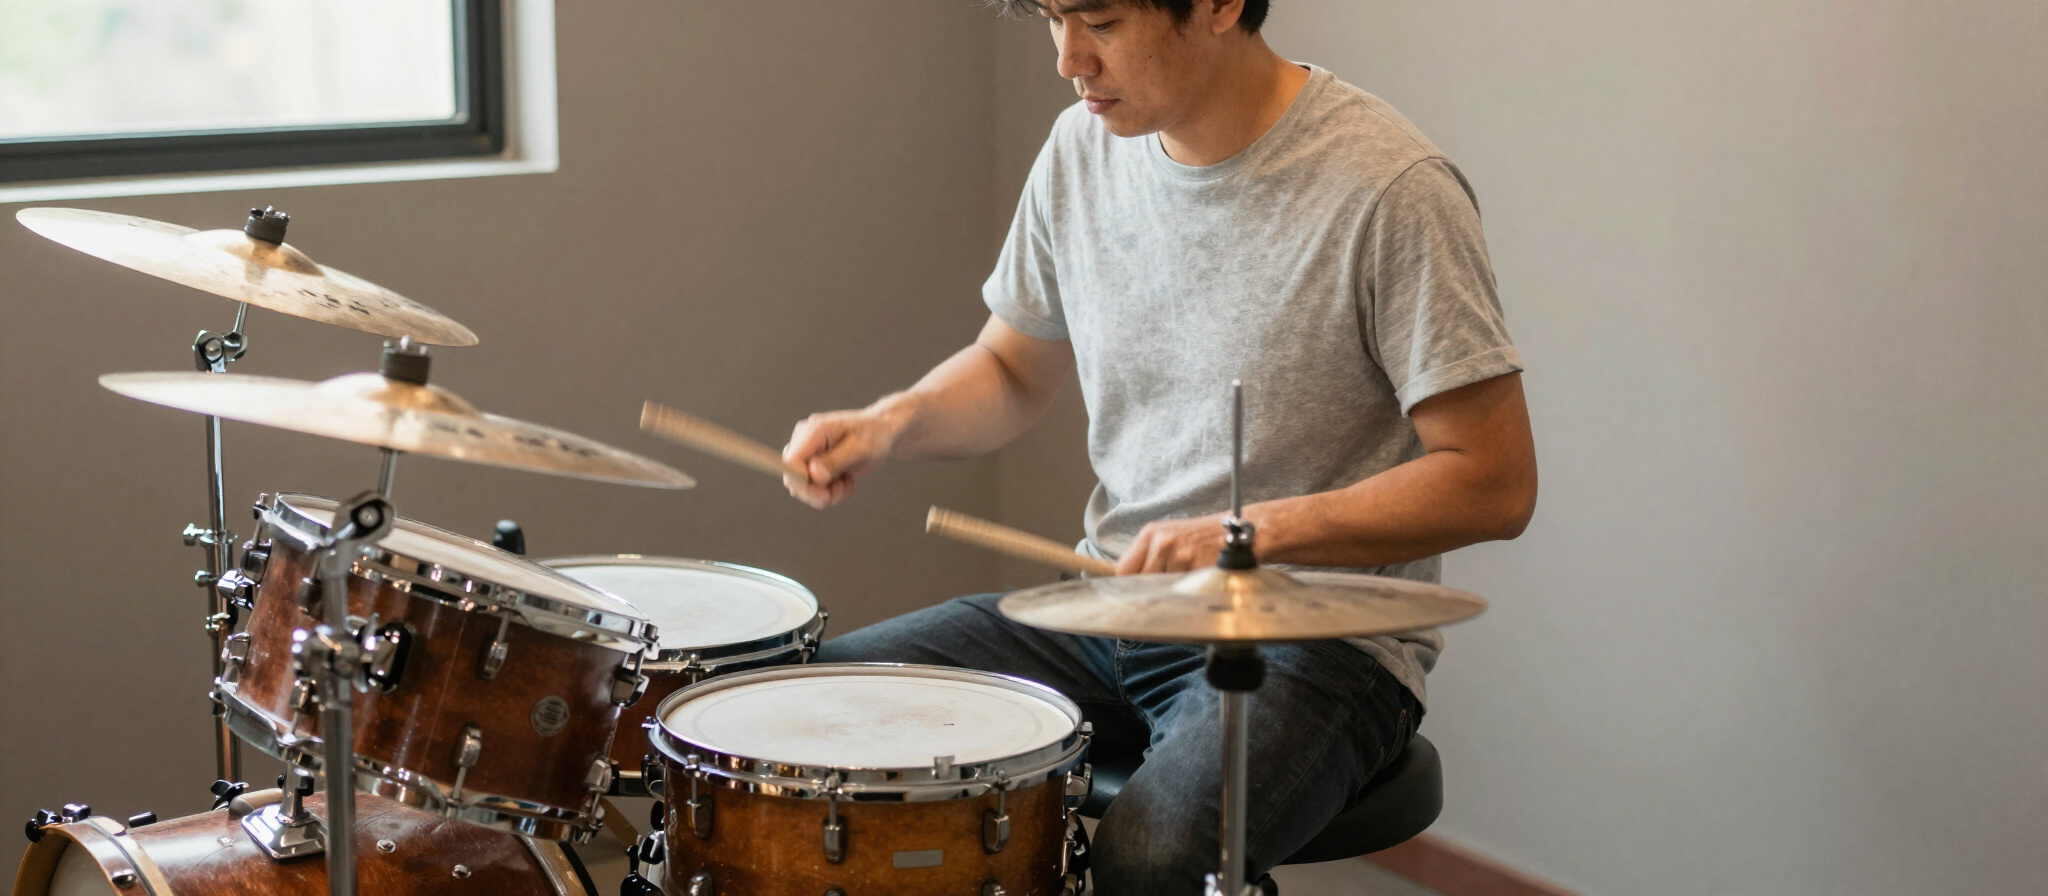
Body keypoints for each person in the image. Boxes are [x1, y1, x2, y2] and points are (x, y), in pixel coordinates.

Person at [782, 0, 1537, 892]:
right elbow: (1012, 368)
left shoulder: (1392, 187)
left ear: (1218, 5)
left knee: (1150, 855)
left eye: (1100, 21)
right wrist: (893, 420)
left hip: (1320, 646)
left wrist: (1243, 537)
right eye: (1052, 18)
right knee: (803, 711)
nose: (1069, 59)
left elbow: (1494, 482)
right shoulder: (1081, 148)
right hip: (1111, 609)